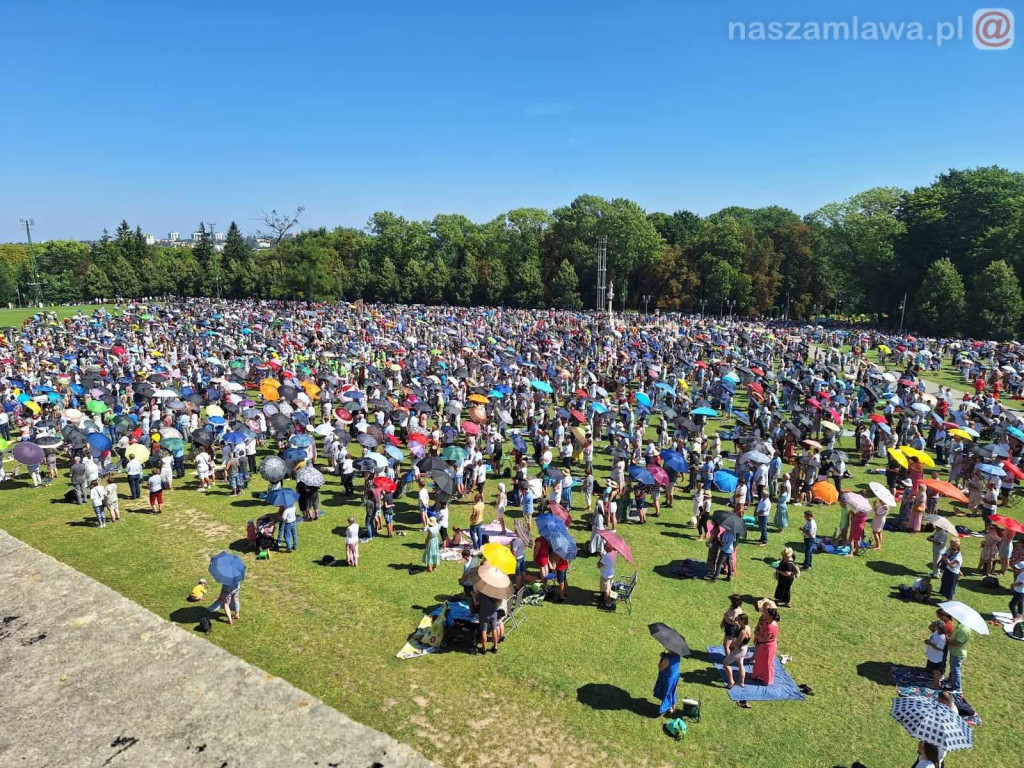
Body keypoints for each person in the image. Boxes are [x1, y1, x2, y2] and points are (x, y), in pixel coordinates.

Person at [751, 599, 779, 687]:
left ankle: (767, 680)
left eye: (767, 613)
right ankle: (756, 674)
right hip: (763, 645)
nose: (765, 614)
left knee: (767, 663)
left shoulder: (771, 626)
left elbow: (765, 639)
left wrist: (757, 635)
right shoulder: (767, 621)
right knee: (759, 660)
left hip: (768, 646)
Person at [722, 614, 752, 691]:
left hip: (739, 649)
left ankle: (731, 681)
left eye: (739, 620)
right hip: (744, 648)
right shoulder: (748, 627)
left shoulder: (742, 631)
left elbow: (737, 643)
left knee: (725, 663)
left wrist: (731, 647)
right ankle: (742, 682)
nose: (737, 621)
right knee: (740, 664)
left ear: (743, 620)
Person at [943, 615, 969, 692]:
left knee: (955, 670)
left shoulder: (964, 629)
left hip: (957, 653)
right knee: (953, 668)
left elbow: (958, 643)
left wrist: (948, 640)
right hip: (954, 651)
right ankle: (950, 681)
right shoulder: (961, 626)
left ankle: (956, 688)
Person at [653, 651, 681, 716]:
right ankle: (673, 707)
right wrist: (665, 655)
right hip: (675, 677)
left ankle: (663, 709)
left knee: (666, 693)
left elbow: (660, 667)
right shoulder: (678, 655)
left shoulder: (667, 659)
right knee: (672, 692)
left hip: (667, 679)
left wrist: (662, 658)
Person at [924, 619, 947, 690]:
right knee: (934, 671)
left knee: (936, 671)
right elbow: (931, 627)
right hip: (932, 655)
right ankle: (936, 683)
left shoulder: (942, 637)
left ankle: (936, 685)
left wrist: (930, 643)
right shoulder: (936, 632)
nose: (935, 626)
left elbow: (940, 648)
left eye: (936, 625)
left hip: (936, 658)